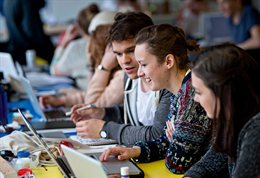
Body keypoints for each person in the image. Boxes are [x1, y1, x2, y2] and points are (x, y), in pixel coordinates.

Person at [100, 24, 212, 174]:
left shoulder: (191, 96)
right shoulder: (179, 92)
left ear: (168, 62)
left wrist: (174, 141)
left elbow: (177, 164)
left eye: (144, 64)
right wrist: (134, 151)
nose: (139, 73)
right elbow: (165, 142)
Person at [70, 12, 172, 145]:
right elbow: (134, 117)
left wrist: (105, 129)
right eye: (118, 54)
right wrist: (103, 113)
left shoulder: (166, 81)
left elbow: (157, 135)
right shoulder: (129, 78)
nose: (125, 61)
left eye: (131, 51)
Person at [183, 43, 260, 178]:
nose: (195, 99)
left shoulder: (256, 130)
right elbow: (209, 163)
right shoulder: (234, 121)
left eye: (199, 92)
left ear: (224, 94)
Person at [40, 12, 124, 108]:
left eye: (91, 42)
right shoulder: (114, 70)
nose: (88, 48)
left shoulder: (121, 76)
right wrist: (62, 100)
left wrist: (104, 67)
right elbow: (96, 95)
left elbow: (92, 104)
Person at [50, 4, 100, 90]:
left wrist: (64, 43)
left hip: (84, 94)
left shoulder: (76, 47)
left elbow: (54, 71)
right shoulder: (110, 44)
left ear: (79, 27)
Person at [3, 0, 54, 65]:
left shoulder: (6, 1)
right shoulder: (26, 1)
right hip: (32, 55)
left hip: (18, 54)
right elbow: (32, 32)